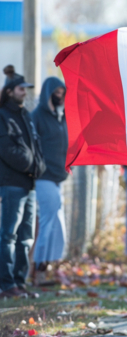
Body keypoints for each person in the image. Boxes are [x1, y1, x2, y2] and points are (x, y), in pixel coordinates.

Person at [0, 75, 45, 298]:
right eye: (20, 88)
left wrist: (40, 166)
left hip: (29, 184)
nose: (24, 92)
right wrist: (30, 164)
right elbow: (7, 150)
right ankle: (6, 285)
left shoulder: (25, 115)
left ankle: (19, 283)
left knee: (25, 236)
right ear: (9, 91)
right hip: (11, 184)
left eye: (26, 88)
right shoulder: (3, 116)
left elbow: (36, 145)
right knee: (8, 235)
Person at [31, 77, 68, 281]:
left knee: (58, 224)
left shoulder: (60, 117)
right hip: (43, 177)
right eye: (56, 92)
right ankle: (39, 269)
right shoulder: (37, 116)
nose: (60, 96)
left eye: (62, 92)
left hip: (58, 178)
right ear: (48, 93)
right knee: (47, 222)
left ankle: (49, 266)